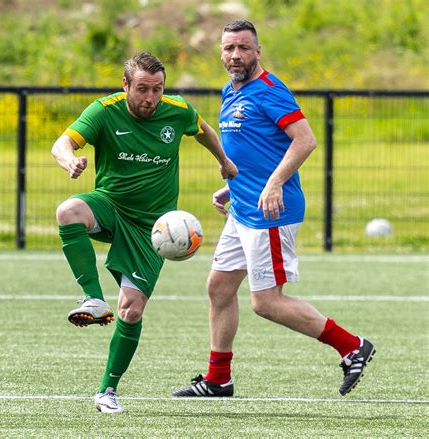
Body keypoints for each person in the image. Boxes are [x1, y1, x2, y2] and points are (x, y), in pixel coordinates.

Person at [173, 20, 375, 398]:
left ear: (258, 51)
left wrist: (274, 183)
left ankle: (351, 345)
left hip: (271, 213)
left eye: (244, 48)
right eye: (229, 48)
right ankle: (218, 379)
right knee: (218, 286)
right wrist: (231, 186)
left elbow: (305, 140)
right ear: (221, 52)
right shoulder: (230, 90)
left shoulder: (269, 90)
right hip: (244, 208)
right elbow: (255, 150)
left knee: (266, 303)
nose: (236, 56)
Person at [51, 52, 238, 414]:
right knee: (68, 211)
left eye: (157, 89)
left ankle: (108, 390)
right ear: (125, 86)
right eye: (141, 89)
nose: (150, 98)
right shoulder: (105, 110)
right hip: (110, 206)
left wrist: (224, 161)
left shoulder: (176, 110)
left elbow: (203, 130)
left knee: (131, 310)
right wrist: (69, 161)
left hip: (154, 229)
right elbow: (63, 143)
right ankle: (92, 298)